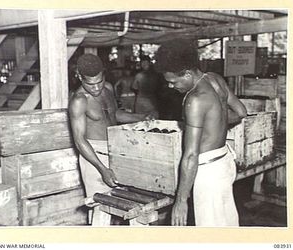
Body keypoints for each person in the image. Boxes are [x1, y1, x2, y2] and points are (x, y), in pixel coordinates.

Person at [154, 39, 247, 227]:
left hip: (208, 172)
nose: (171, 87)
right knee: (227, 225)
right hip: (224, 161)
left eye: (173, 82)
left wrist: (180, 202)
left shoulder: (194, 100)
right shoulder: (214, 78)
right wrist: (213, 121)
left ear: (187, 74)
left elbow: (190, 155)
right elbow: (241, 112)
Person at [68, 54, 152, 226]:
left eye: (99, 81)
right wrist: (102, 169)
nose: (96, 87)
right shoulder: (79, 100)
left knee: (133, 205)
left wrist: (142, 117)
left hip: (117, 151)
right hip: (94, 157)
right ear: (79, 77)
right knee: (101, 209)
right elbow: (79, 140)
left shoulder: (108, 88)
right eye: (90, 84)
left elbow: (113, 115)